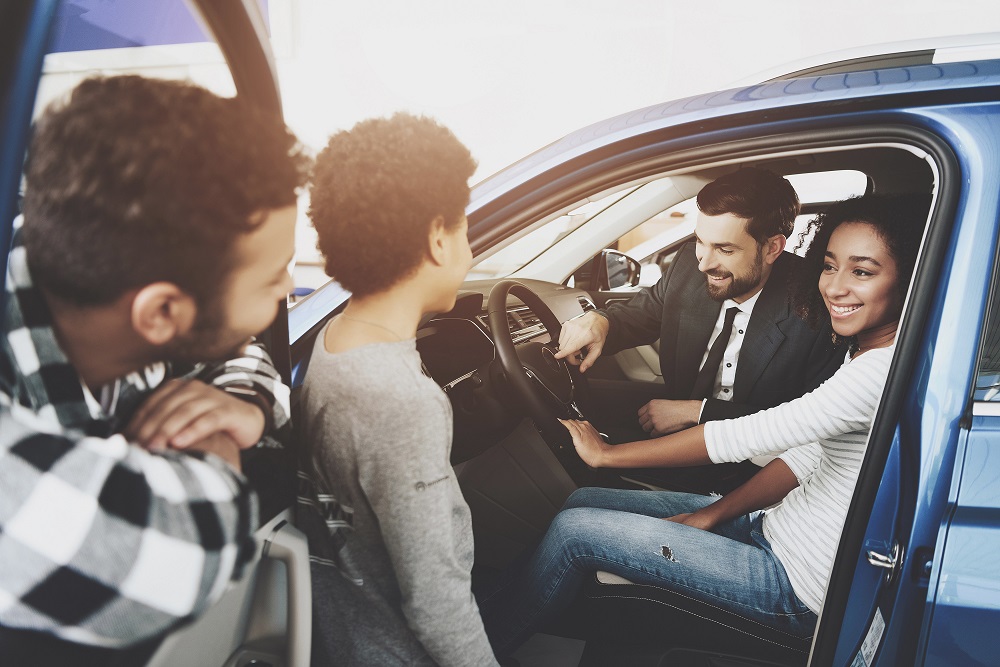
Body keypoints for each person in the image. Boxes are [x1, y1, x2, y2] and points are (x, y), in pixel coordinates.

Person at [478, 193, 928, 656]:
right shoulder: (866, 355)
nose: (834, 288)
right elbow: (801, 458)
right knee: (582, 500)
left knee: (575, 533)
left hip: (794, 588)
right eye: (830, 266)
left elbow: (749, 435)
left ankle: (468, 649)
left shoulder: (879, 372)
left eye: (863, 272)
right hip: (768, 528)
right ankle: (483, 617)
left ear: (909, 278)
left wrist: (608, 455)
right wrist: (711, 515)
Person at [0, 76, 309, 662]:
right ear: (162, 311)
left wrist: (243, 403)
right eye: (274, 277)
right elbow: (180, 555)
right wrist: (217, 438)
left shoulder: (102, 285)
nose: (290, 286)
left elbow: (239, 352)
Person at [298, 113, 499, 666]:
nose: (471, 251)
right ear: (438, 237)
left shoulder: (336, 338)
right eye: (464, 229)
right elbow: (437, 603)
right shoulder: (399, 400)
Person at [555, 168, 845, 492]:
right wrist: (601, 321)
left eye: (725, 249)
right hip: (678, 442)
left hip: (755, 469)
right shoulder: (688, 267)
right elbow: (644, 312)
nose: (704, 263)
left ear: (772, 248)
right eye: (700, 241)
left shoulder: (817, 305)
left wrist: (699, 413)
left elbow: (804, 422)